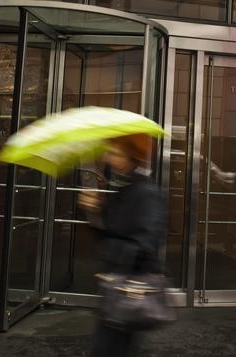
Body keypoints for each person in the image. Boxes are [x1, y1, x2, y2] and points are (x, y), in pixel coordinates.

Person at [79, 133, 167, 357]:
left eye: (115, 153)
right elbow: (109, 233)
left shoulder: (145, 192)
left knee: (112, 348)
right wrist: (94, 210)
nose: (109, 158)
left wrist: (114, 262)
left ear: (132, 156)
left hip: (129, 287)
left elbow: (146, 243)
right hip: (117, 285)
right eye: (109, 152)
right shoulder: (125, 189)